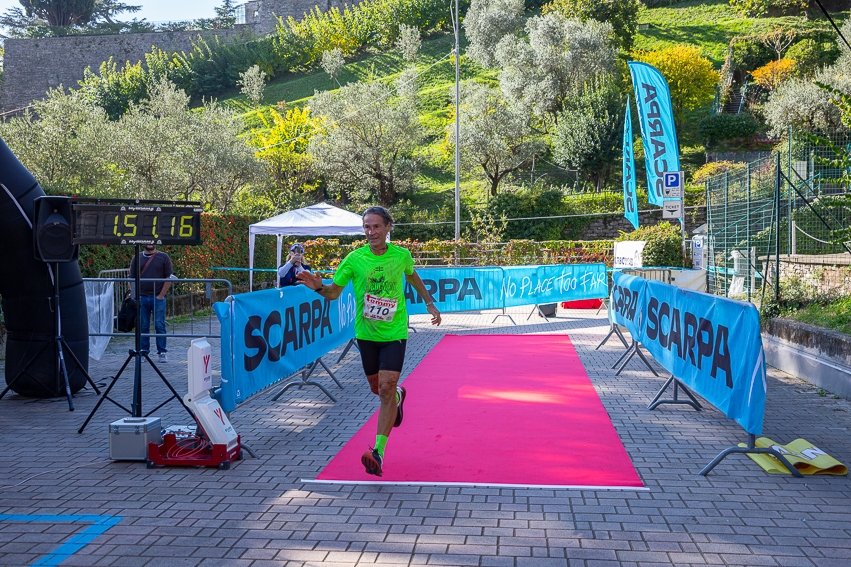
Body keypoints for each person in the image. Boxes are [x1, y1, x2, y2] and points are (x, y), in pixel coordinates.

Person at [297, 206, 441, 477]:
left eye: (376, 226)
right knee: (378, 389)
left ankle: (378, 452)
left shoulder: (401, 255)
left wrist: (429, 301)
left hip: (394, 333)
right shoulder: (354, 259)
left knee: (385, 387)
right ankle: (398, 397)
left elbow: (411, 274)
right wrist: (317, 287)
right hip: (366, 334)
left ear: (387, 227)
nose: (371, 232)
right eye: (367, 227)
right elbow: (333, 293)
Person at [129, 244, 173, 363]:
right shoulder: (137, 257)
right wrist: (135, 295)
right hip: (142, 297)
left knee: (159, 325)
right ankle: (143, 352)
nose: (150, 243)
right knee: (143, 326)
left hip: (158, 297)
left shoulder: (163, 257)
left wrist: (161, 295)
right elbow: (131, 277)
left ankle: (162, 352)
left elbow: (168, 277)